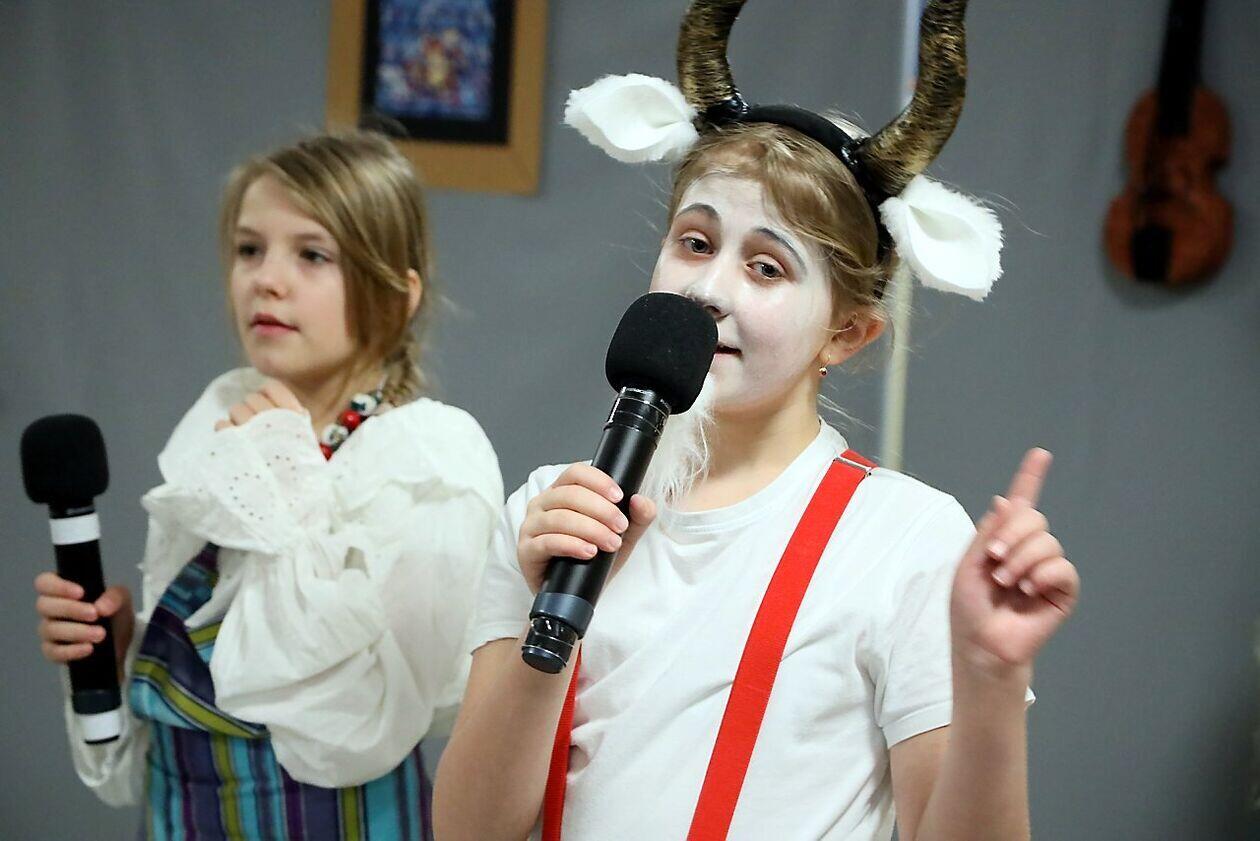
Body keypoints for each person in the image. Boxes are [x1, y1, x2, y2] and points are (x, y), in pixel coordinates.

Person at [434, 2, 1079, 840]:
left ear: (846, 333)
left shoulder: (906, 542)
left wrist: (989, 680)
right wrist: (542, 621)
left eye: (767, 267)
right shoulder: (549, 513)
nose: (709, 290)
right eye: (695, 243)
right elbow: (469, 827)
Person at [33, 130, 503, 839]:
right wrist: (126, 655)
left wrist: (288, 485)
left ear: (397, 294)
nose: (266, 279)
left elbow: (353, 733)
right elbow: (143, 762)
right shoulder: (222, 420)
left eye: (312, 254)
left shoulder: (428, 459)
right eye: (250, 249)